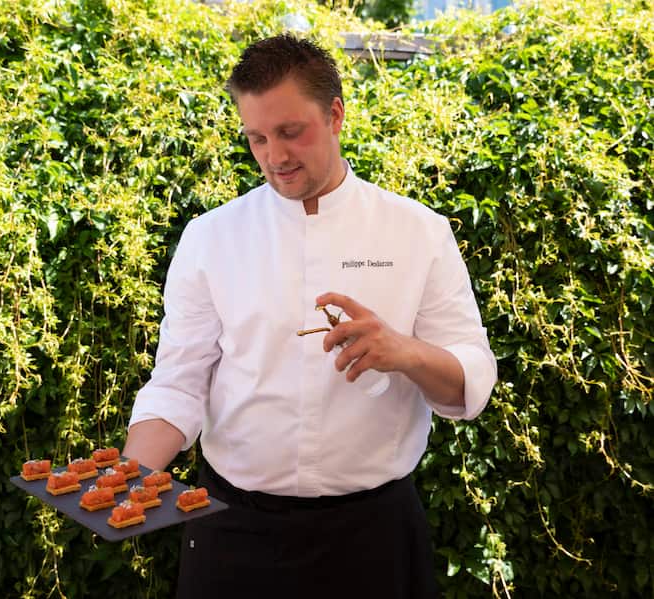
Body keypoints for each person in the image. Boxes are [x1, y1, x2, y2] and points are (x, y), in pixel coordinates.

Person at [122, 34, 497, 598]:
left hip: (373, 538)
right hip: (232, 531)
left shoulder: (419, 231)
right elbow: (178, 383)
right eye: (257, 138)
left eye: (291, 132)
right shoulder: (209, 239)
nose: (274, 156)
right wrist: (130, 479)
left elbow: (471, 379)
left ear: (336, 115)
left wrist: (406, 352)